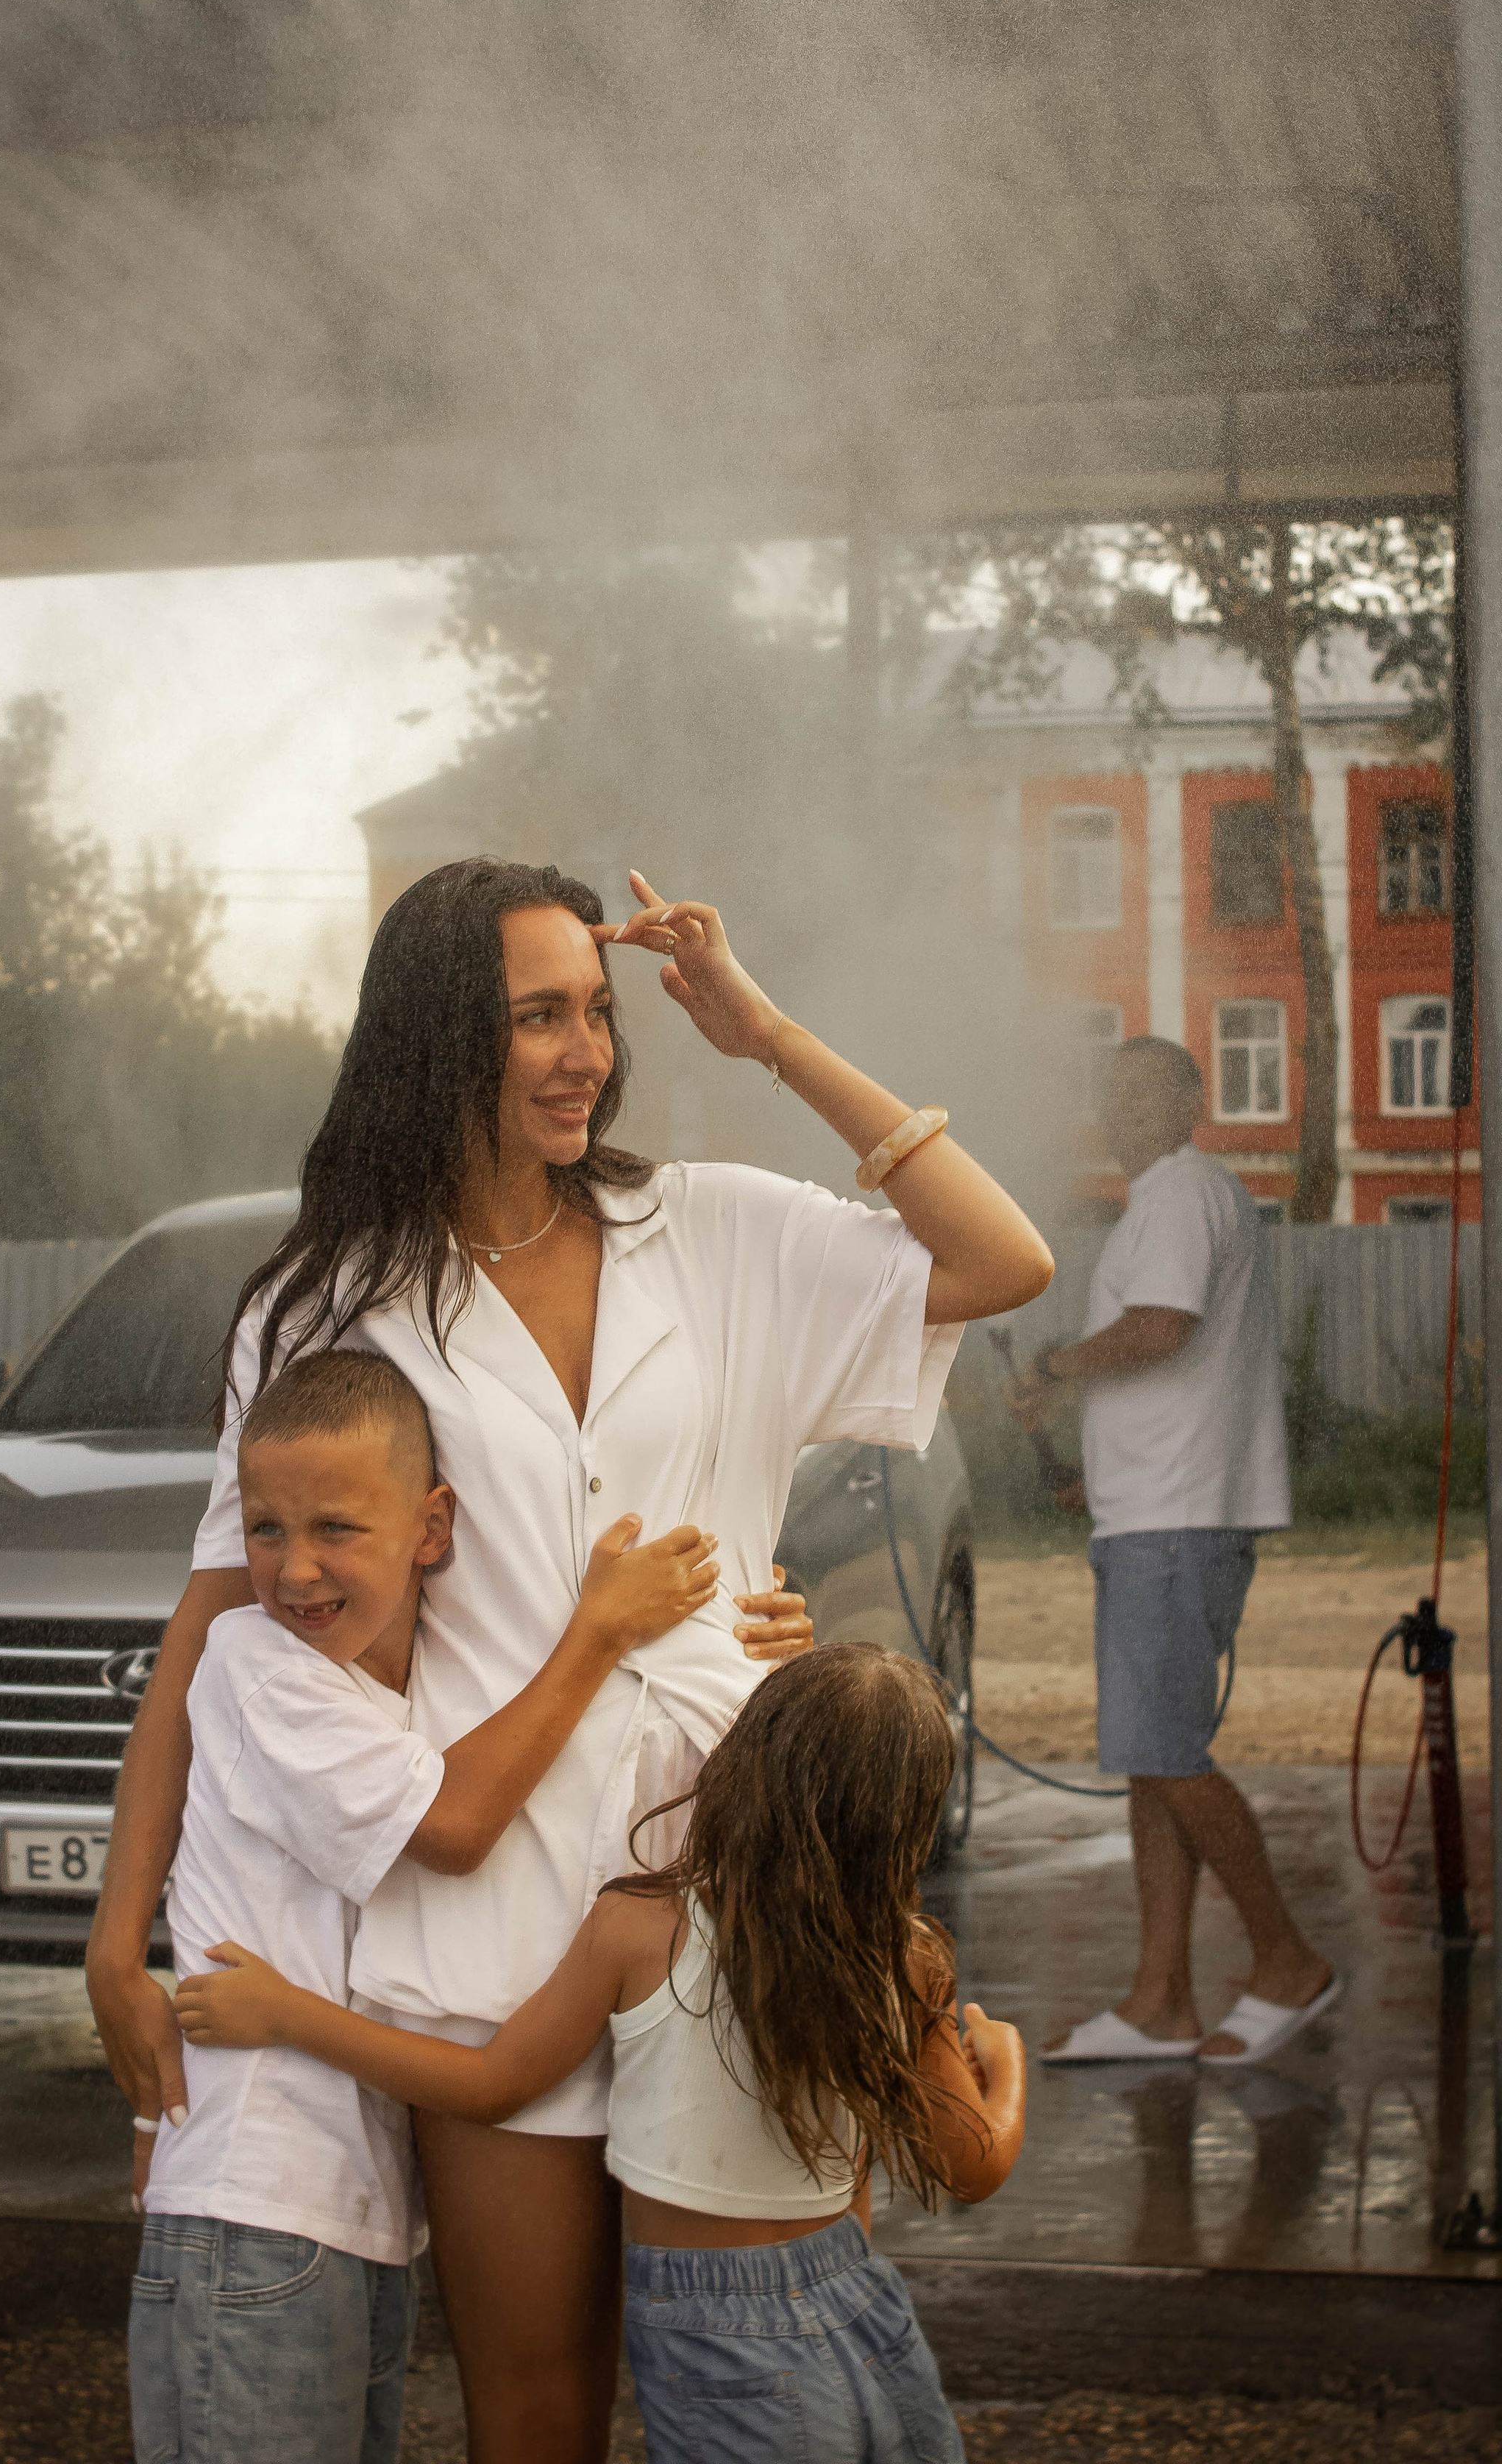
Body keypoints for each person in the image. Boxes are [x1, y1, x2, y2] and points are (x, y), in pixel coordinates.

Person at [91, 856, 1053, 2463]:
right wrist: (121, 1940)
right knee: (533, 2415)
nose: (583, 1051)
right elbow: (215, 1621)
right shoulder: (328, 1301)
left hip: (727, 1910)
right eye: (536, 1015)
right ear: (429, 1039)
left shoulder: (714, 1230)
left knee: (750, 2373)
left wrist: (768, 1038)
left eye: (594, 1013)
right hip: (488, 1932)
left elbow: (999, 1260)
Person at [174, 1645, 1028, 2464]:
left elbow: (489, 2084)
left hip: (725, 2344)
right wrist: (1004, 2059)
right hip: (864, 2310)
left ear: (742, 1765)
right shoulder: (908, 1959)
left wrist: (288, 2014)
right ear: (904, 1826)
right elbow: (973, 2164)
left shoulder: (641, 1928)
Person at [132, 1344, 725, 2464]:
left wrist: (731, 1631)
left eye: (335, 1529)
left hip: (343, 2210)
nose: (294, 1568)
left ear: (433, 1530)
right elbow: (454, 1828)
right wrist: (598, 1629)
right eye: (265, 1529)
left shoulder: (390, 1690)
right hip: (263, 2199)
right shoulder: (260, 1663)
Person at [1021, 1035, 1338, 2070]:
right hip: (1156, 1513)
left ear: (1194, 1100)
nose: (1127, 1106)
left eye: (1149, 1087)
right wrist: (1090, 1481)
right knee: (1153, 1764)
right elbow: (1173, 1364)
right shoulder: (1187, 1196)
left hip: (1175, 1522)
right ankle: (1161, 1999)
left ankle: (1286, 1958)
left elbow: (1163, 1326)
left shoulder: (1176, 1193)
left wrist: (1060, 1363)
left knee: (1166, 1755)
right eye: (1111, 1091)